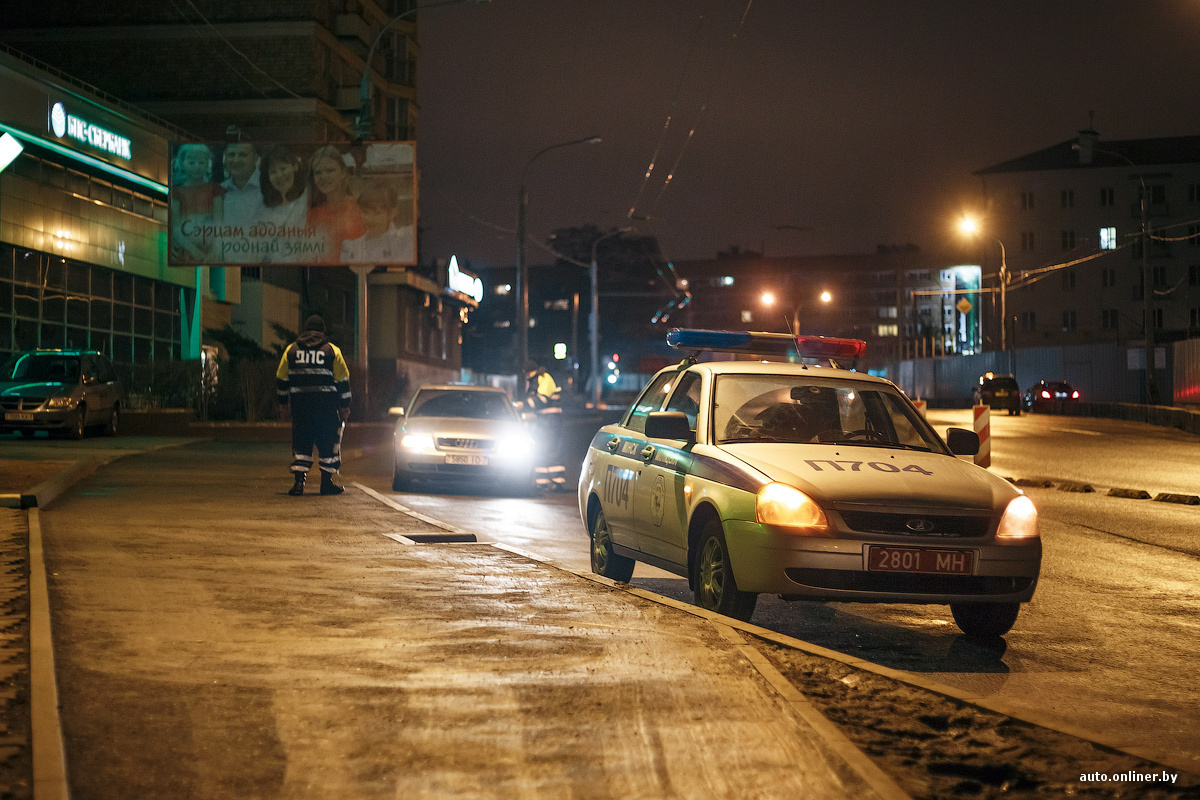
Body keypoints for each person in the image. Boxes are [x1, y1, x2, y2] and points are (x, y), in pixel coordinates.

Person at [276, 315, 352, 496]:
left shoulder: (291, 350)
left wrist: (283, 403)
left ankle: (298, 484)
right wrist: (345, 406)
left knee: (302, 444)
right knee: (328, 445)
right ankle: (326, 483)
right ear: (322, 332)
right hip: (326, 408)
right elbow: (343, 381)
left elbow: (281, 378)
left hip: (301, 408)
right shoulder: (332, 351)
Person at [306, 145, 365, 264]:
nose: (323, 177)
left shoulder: (360, 209)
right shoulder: (312, 215)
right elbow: (309, 257)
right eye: (318, 172)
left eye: (330, 170)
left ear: (343, 173)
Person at [169, 144, 224, 264]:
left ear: (207, 164)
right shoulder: (176, 192)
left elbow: (219, 222)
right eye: (191, 163)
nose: (197, 167)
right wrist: (195, 252)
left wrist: (216, 250)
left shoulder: (215, 189)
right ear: (182, 163)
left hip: (211, 252)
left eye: (201, 162)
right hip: (186, 253)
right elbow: (176, 228)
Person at [339, 181, 415, 264]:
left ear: (393, 213)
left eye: (377, 213)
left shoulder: (407, 238)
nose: (370, 219)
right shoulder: (350, 247)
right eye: (365, 212)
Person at [220, 140, 267, 264]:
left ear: (255, 158)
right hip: (226, 267)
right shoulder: (219, 191)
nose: (236, 160)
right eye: (231, 155)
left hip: (262, 268)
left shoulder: (270, 188)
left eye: (242, 155)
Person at [258, 144, 308, 228]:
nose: (279, 175)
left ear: (295, 166)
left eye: (283, 168)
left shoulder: (308, 198)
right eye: (273, 172)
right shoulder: (263, 210)